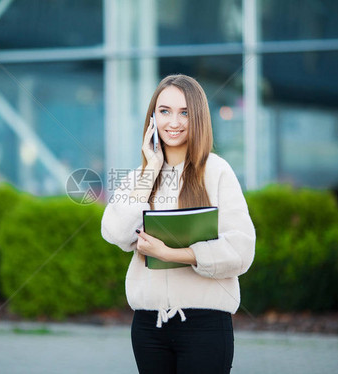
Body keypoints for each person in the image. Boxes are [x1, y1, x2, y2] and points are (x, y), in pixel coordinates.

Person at [101, 74, 256, 374]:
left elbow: (241, 250)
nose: (174, 121)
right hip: (149, 325)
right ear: (152, 119)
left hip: (206, 324)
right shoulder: (139, 176)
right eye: (164, 111)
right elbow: (116, 232)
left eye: (184, 112)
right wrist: (152, 169)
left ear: (197, 117)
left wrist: (173, 254)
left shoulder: (217, 171)